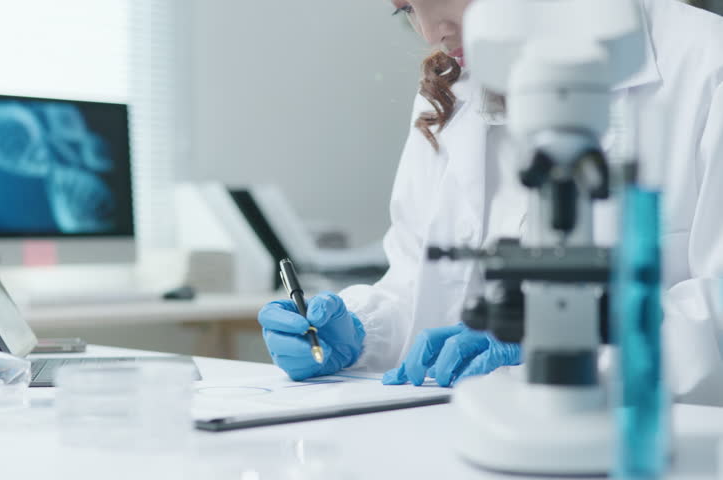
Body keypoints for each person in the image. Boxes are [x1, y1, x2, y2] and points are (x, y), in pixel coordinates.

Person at [259, 0, 723, 405]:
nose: (429, 32)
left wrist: (569, 343)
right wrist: (361, 331)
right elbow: (418, 281)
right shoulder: (448, 94)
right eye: (405, 9)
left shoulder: (706, 65)